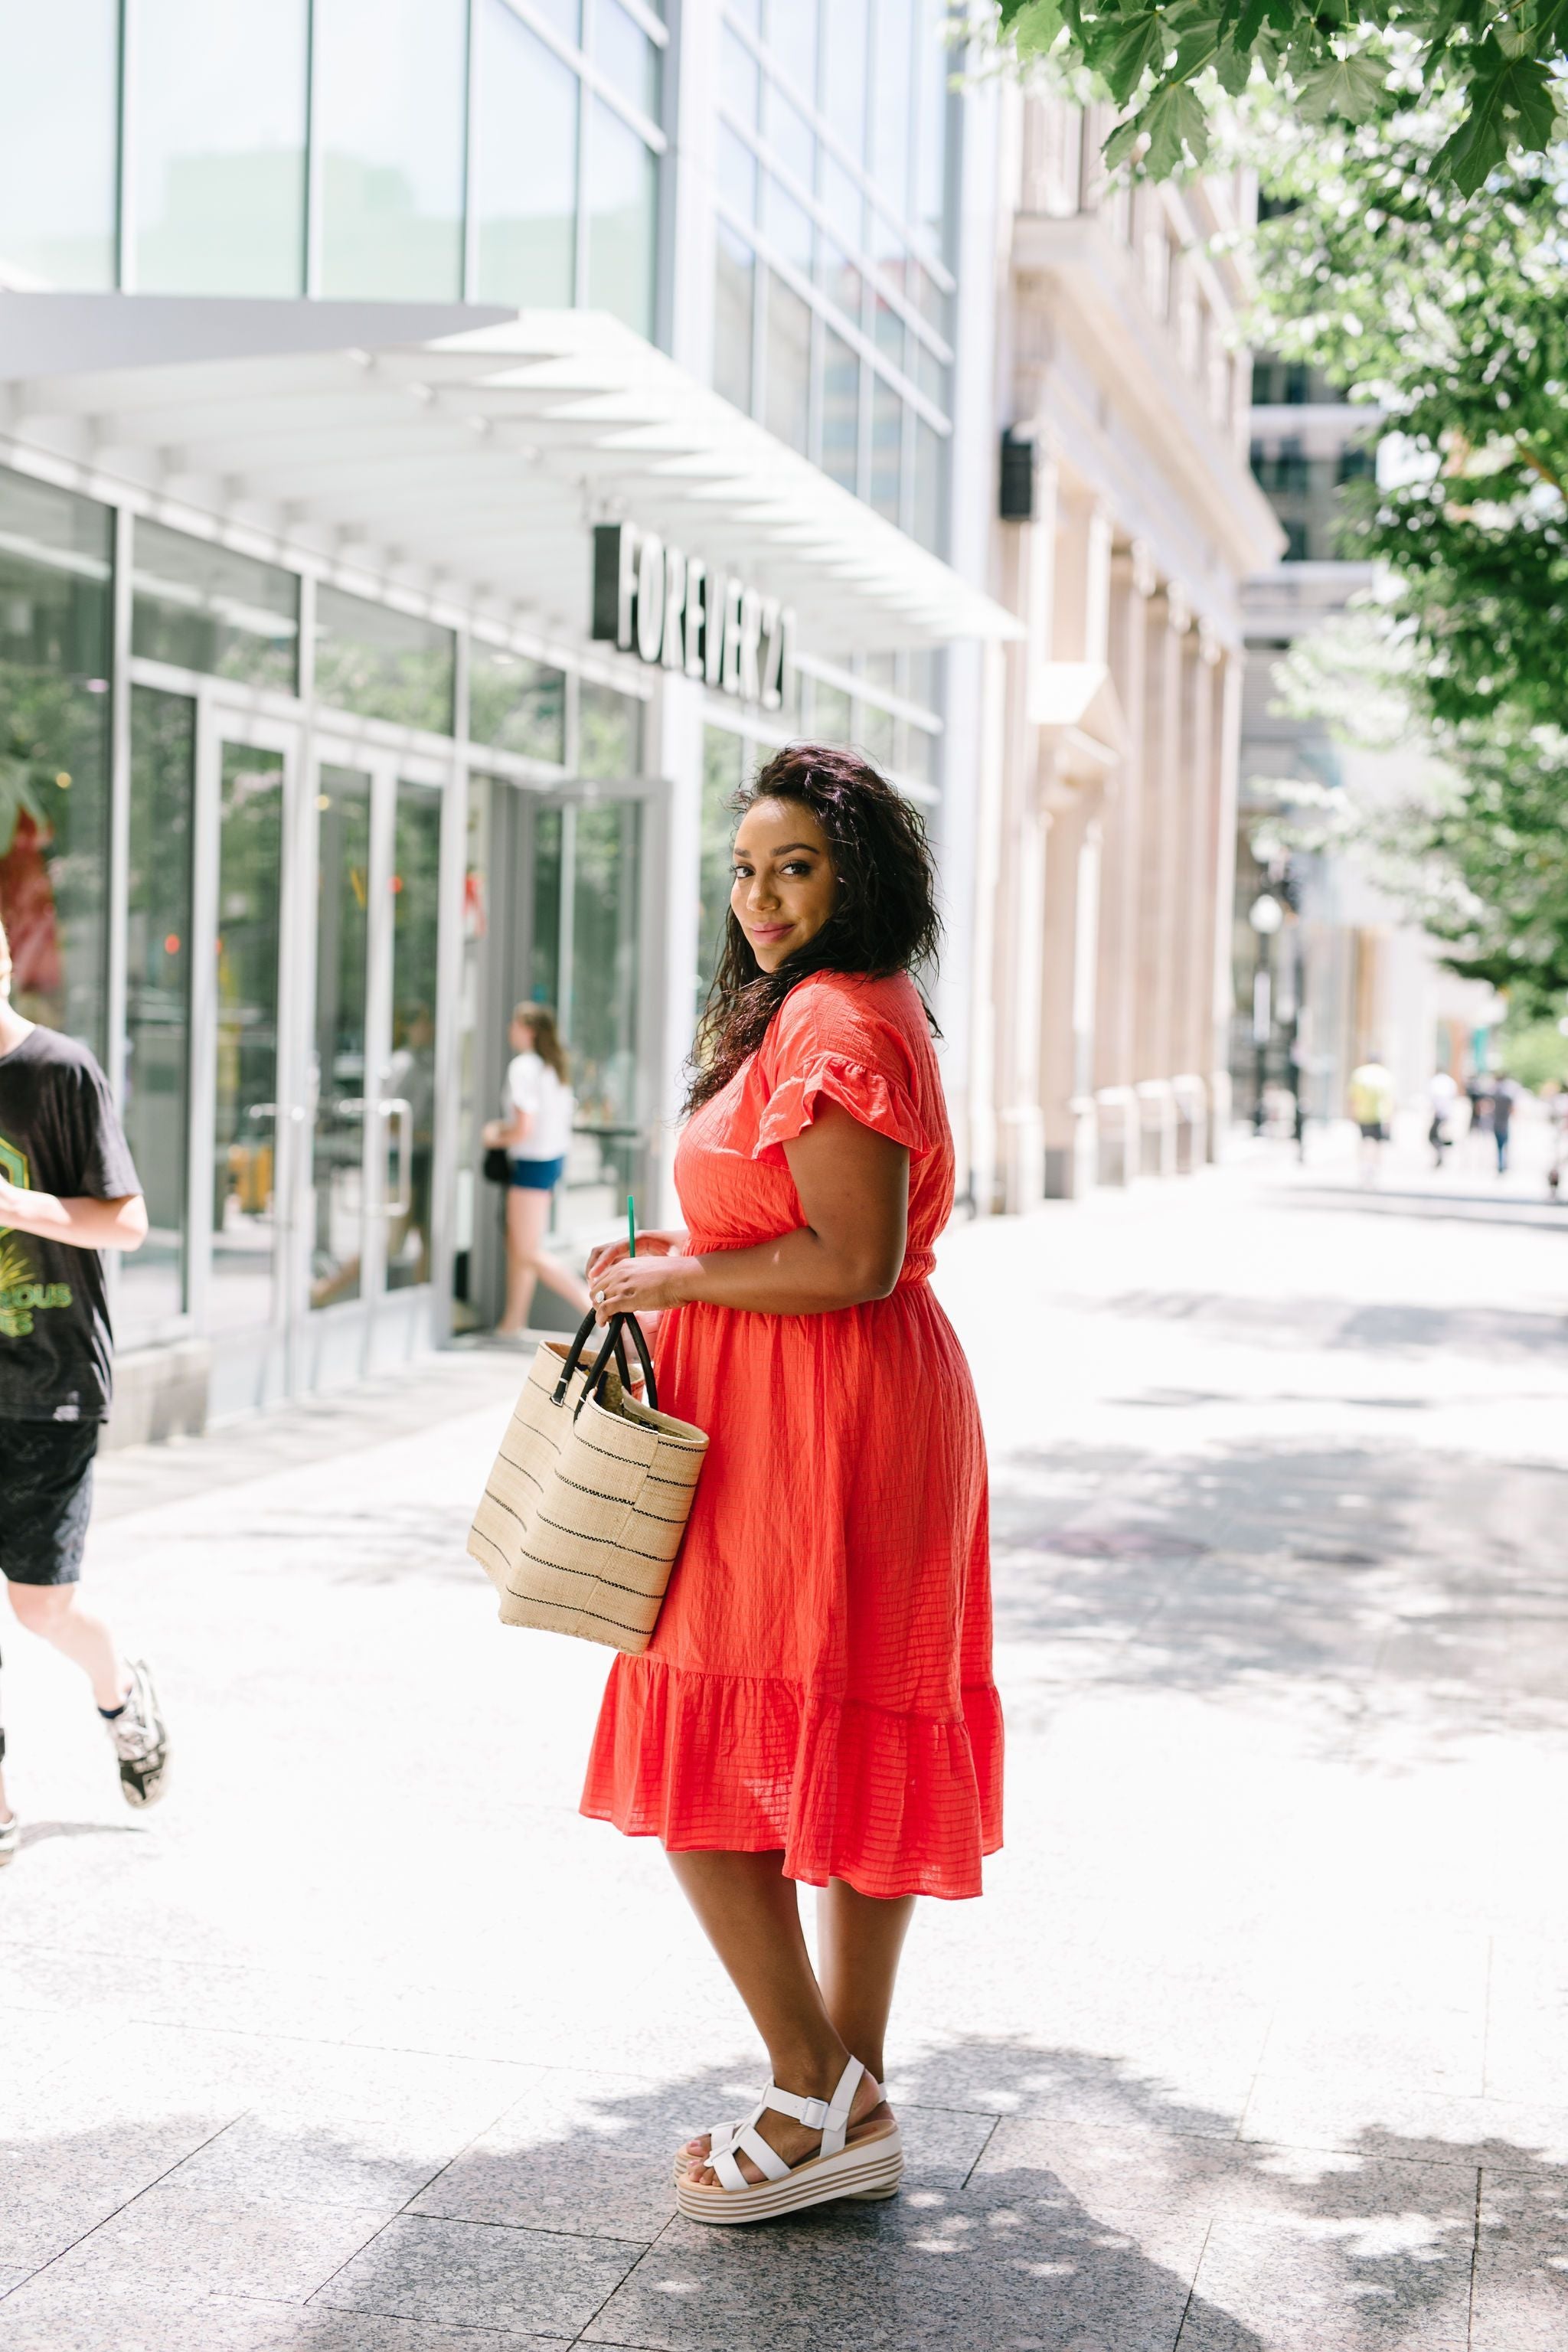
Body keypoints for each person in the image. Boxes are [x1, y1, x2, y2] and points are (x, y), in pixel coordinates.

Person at [580, 746, 1001, 2224]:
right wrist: (669, 1282)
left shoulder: (834, 1012)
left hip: (819, 1419)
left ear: (856, 874)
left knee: (711, 1761)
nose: (760, 897)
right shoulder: (847, 1003)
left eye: (795, 867)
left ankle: (806, 2077)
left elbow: (848, 1256)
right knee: (842, 1735)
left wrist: (670, 1271)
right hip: (837, 1407)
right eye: (746, 868)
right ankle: (844, 2092)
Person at [0, 915, 170, 1864]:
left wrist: (19, 1206)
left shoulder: (59, 1072)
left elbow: (130, 1221)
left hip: (53, 1382)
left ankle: (120, 1693)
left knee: (39, 1606)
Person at [482, 1004, 590, 1338]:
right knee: (521, 1246)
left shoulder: (524, 1067)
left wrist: (494, 1136)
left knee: (528, 1251)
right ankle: (512, 1322)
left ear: (528, 1029)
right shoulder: (552, 1067)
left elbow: (523, 1128)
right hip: (550, 1163)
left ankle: (598, 1310)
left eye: (514, 1023)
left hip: (531, 1165)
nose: (509, 1029)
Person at [1348, 1054, 1395, 1178]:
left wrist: (1352, 1113)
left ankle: (1364, 1165)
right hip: (1381, 1114)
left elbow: (1353, 1096)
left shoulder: (1360, 1074)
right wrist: (1391, 1117)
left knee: (1364, 1141)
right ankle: (1375, 1167)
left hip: (1362, 1113)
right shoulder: (1385, 1075)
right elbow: (1390, 1098)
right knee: (1378, 1144)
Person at [1428, 1069, 1458, 1169]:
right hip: (1447, 1113)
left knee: (1433, 1136)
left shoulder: (1436, 1082)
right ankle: (1441, 1151)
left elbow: (1434, 1098)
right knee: (1439, 1135)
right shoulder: (1449, 1081)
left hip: (1440, 1113)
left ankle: (1440, 1152)